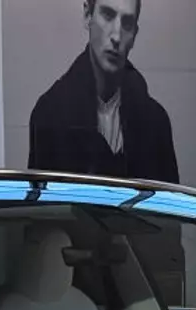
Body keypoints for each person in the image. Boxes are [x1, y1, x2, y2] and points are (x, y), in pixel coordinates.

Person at [28, 0, 179, 183]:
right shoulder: (49, 113)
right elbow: (45, 209)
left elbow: (166, 208)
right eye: (107, 15)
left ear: (134, 35)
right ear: (87, 16)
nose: (116, 35)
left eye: (127, 23)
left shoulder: (156, 122)